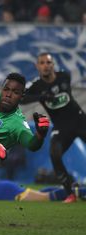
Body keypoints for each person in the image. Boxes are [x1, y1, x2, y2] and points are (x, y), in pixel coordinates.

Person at [21, 53, 86, 203]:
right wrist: (40, 97)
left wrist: (49, 94)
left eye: (48, 62)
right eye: (42, 63)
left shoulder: (64, 76)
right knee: (54, 153)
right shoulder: (36, 85)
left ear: (53, 65)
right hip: (61, 126)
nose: (45, 65)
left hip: (80, 120)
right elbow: (21, 98)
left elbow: (58, 89)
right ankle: (70, 193)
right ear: (37, 66)